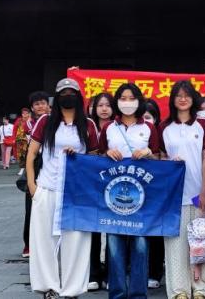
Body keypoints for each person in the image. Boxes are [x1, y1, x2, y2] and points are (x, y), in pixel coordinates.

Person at [27, 79, 99, 299]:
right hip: (47, 187)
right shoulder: (46, 121)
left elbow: (94, 159)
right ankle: (48, 287)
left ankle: (72, 290)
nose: (68, 96)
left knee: (76, 241)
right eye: (63, 93)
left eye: (72, 92)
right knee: (43, 241)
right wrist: (33, 187)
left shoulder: (88, 124)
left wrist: (77, 157)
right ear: (56, 98)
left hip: (76, 192)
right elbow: (32, 154)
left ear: (79, 96)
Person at [100, 82, 161, 299]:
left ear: (139, 101)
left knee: (141, 246)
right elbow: (97, 156)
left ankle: (137, 294)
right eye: (123, 98)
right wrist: (107, 153)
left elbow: (159, 157)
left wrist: (148, 152)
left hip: (142, 196)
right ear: (117, 102)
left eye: (131, 98)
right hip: (113, 195)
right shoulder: (109, 127)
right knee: (114, 246)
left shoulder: (149, 127)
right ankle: (117, 293)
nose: (127, 103)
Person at [159, 80, 205, 299]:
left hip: (198, 192)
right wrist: (169, 161)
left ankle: (202, 289)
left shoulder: (202, 124)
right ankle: (179, 291)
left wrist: (204, 191)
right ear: (173, 99)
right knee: (176, 244)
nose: (183, 99)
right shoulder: (164, 127)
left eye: (187, 95)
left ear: (193, 99)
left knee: (204, 239)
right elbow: (160, 158)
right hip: (173, 195)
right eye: (178, 95)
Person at [88, 93, 117, 292]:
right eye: (100, 105)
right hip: (91, 184)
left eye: (108, 105)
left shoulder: (117, 128)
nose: (104, 109)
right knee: (93, 230)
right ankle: (93, 273)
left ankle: (110, 274)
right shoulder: (87, 126)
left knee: (113, 229)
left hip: (113, 185)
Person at [21, 92, 51, 258]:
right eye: (37, 104)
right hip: (36, 164)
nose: (40, 106)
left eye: (43, 103)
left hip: (50, 165)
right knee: (31, 207)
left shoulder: (55, 120)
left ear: (48, 104)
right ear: (32, 107)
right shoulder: (29, 123)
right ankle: (28, 244)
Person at [141, 97, 165, 290]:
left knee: (156, 232)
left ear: (156, 118)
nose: (146, 120)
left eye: (149, 117)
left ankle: (154, 272)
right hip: (136, 191)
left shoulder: (161, 133)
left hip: (157, 190)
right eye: (143, 117)